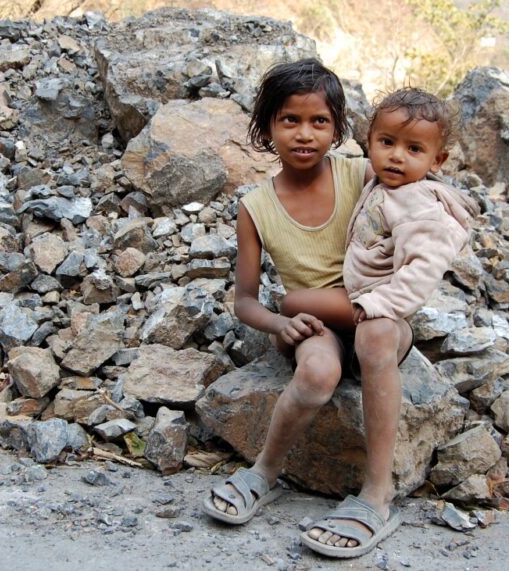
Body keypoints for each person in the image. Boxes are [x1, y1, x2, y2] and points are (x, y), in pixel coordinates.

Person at [203, 70, 477, 559]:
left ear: (340, 130)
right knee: (315, 371)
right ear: (266, 127)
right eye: (290, 120)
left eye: (319, 121)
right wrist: (280, 323)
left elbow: (418, 191)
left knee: (373, 338)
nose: (305, 134)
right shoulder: (255, 207)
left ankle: (376, 496)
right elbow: (244, 299)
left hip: (380, 314)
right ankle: (265, 472)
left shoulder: (361, 171)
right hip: (318, 325)